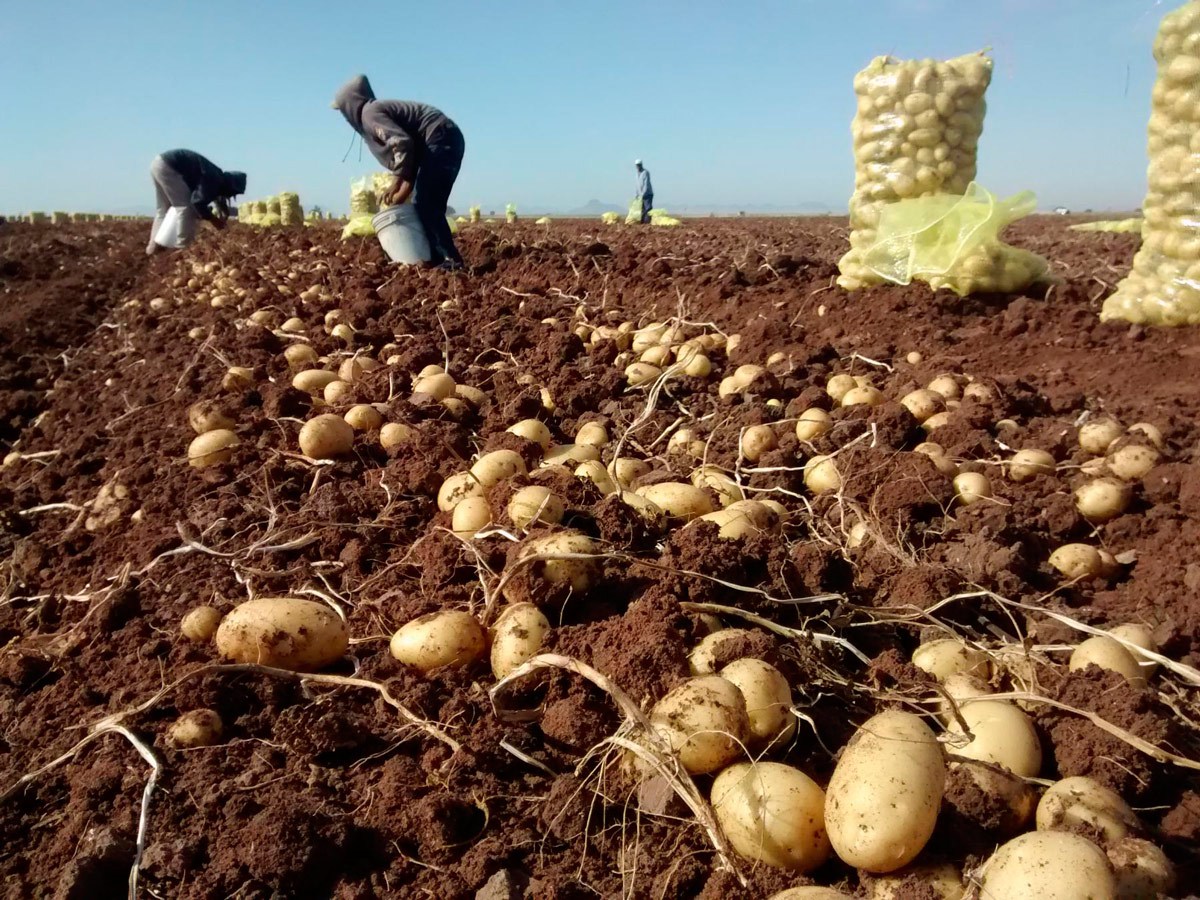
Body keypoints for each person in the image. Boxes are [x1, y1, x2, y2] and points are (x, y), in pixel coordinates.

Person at [332, 74, 465, 270]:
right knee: (426, 204)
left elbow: (401, 143)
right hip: (445, 137)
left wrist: (396, 181)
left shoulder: (370, 114)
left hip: (440, 137)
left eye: (343, 111)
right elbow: (411, 159)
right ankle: (437, 258)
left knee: (427, 203)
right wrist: (400, 194)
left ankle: (451, 261)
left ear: (350, 105)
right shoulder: (376, 112)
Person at [147, 150, 246, 255]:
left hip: (158, 164)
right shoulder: (215, 178)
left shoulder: (216, 176)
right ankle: (182, 247)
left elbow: (209, 199)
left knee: (162, 211)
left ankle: (151, 249)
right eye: (231, 193)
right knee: (185, 208)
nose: (229, 196)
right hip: (170, 166)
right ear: (230, 186)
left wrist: (217, 213)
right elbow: (197, 202)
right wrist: (213, 220)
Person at [635, 159, 654, 224]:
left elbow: (646, 184)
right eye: (637, 165)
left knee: (647, 209)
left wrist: (643, 193)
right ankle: (643, 222)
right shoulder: (637, 174)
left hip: (647, 194)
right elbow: (637, 185)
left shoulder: (645, 172)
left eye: (639, 165)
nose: (638, 166)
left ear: (641, 165)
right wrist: (637, 194)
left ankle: (647, 222)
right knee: (642, 209)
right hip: (641, 195)